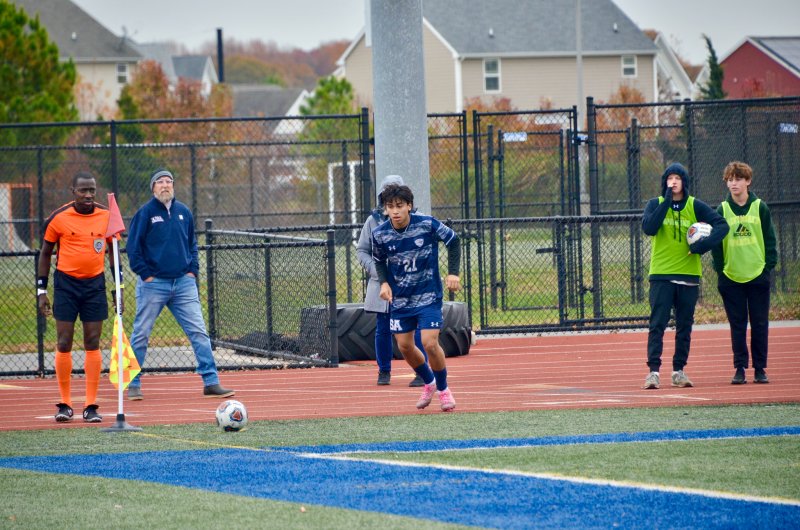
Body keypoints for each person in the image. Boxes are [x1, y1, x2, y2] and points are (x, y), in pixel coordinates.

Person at [125, 168, 233, 400]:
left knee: (199, 333)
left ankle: (211, 382)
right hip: (153, 284)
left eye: (169, 181)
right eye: (160, 182)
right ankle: (132, 383)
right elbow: (133, 249)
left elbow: (192, 243)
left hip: (183, 283)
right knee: (141, 334)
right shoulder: (144, 213)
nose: (165, 185)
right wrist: (146, 274)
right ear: (153, 187)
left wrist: (192, 271)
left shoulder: (183, 211)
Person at [37, 172, 121, 423]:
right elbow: (45, 253)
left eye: (92, 190)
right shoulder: (58, 218)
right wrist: (41, 291)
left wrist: (119, 289)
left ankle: (90, 406)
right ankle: (64, 404)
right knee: (64, 341)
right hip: (66, 285)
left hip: (95, 285)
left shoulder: (107, 216)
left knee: (93, 341)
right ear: (72, 190)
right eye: (83, 190)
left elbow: (114, 255)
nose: (88, 195)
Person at [372, 183, 461, 411]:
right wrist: (384, 283)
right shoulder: (380, 234)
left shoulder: (426, 224)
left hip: (428, 296)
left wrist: (453, 273)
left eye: (400, 206)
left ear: (409, 206)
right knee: (404, 347)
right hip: (401, 300)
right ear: (385, 210)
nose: (395, 211)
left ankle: (443, 390)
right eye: (390, 207)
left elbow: (453, 240)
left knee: (430, 343)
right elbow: (379, 260)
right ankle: (428, 383)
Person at [641, 162, 728, 390]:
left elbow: (722, 225)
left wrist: (702, 246)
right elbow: (649, 227)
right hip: (661, 275)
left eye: (678, 178)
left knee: (684, 326)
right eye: (670, 178)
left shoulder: (694, 205)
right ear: (665, 182)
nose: (674, 181)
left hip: (688, 276)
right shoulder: (656, 204)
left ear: (684, 182)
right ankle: (653, 373)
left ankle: (679, 371)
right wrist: (667, 200)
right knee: (657, 324)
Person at [356, 174, 427, 387]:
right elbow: (362, 250)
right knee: (383, 327)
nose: (394, 207)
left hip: (410, 284)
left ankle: (421, 373)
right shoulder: (373, 221)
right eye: (388, 199)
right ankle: (384, 371)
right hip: (382, 284)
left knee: (414, 328)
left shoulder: (419, 220)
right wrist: (377, 272)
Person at [711, 161, 778, 385]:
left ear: (747, 181)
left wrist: (767, 267)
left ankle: (760, 368)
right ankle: (740, 368)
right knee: (737, 325)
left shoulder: (760, 207)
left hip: (758, 275)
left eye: (738, 179)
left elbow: (770, 240)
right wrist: (721, 270)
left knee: (759, 324)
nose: (733, 183)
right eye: (730, 179)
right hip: (731, 277)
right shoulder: (722, 209)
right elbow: (717, 244)